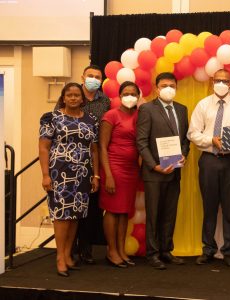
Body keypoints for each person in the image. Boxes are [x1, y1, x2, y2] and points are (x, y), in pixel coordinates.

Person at [187, 69, 230, 267]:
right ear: (212, 81)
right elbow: (192, 133)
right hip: (209, 160)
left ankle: (228, 250)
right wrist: (210, 140)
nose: (221, 83)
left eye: (225, 81)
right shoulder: (203, 104)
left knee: (229, 207)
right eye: (218, 80)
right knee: (209, 207)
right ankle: (208, 249)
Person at [39, 82, 99, 277]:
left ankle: (67, 254)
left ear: (82, 98)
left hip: (82, 174)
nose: (73, 98)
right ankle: (59, 257)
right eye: (69, 95)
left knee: (75, 216)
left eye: (76, 95)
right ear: (63, 98)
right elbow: (44, 148)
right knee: (62, 215)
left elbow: (94, 149)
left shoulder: (91, 119)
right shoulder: (52, 118)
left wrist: (95, 175)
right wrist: (46, 175)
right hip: (60, 173)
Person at [55, 65, 111, 264]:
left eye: (97, 77)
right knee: (65, 213)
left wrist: (97, 172)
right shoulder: (70, 95)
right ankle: (66, 253)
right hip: (63, 166)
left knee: (87, 210)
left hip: (89, 163)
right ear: (83, 77)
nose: (94, 79)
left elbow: (100, 136)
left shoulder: (105, 101)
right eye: (90, 76)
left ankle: (84, 250)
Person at [136, 72, 190, 270]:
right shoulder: (147, 109)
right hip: (154, 172)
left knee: (169, 212)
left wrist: (184, 154)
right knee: (154, 213)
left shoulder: (182, 109)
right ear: (157, 88)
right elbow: (141, 142)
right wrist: (154, 165)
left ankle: (166, 250)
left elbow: (185, 139)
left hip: (175, 169)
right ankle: (152, 253)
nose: (168, 88)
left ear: (176, 87)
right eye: (164, 85)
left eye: (172, 85)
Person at [99, 81, 140, 268]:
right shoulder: (111, 115)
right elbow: (102, 146)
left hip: (132, 169)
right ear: (120, 96)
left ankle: (121, 250)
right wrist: (107, 174)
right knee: (112, 210)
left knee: (125, 212)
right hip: (113, 167)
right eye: (126, 93)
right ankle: (111, 251)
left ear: (138, 96)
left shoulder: (141, 115)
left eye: (133, 93)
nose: (129, 96)